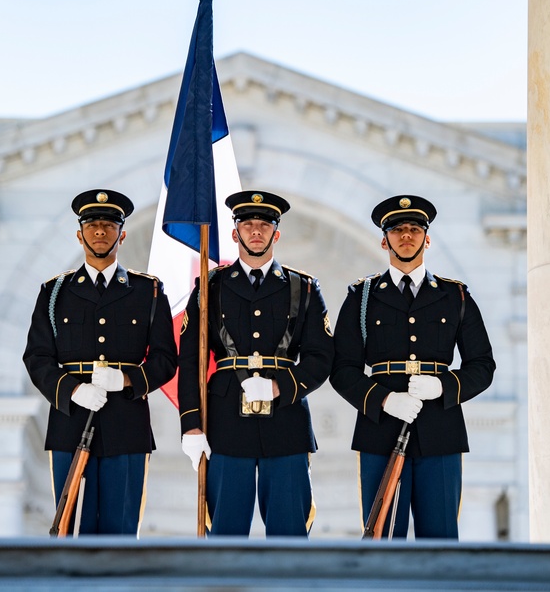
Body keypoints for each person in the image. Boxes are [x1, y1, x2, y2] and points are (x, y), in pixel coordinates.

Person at [330, 194, 495, 539]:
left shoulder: (456, 296)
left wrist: (443, 386)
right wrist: (385, 400)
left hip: (441, 431)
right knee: (384, 538)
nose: (407, 235)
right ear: (384, 239)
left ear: (427, 238)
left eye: (415, 228)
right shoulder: (361, 296)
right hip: (381, 430)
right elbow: (342, 369)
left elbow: (482, 365)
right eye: (397, 229)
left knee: (441, 540)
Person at [177, 190, 334, 537]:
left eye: (265, 224)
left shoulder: (303, 287)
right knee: (226, 534)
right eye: (248, 224)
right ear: (235, 233)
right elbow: (190, 360)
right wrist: (191, 424)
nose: (256, 231)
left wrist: (280, 386)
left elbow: (321, 357)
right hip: (225, 425)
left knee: (290, 535)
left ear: (276, 234)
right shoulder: (210, 286)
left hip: (286, 424)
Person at [23, 188, 177, 535]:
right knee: (70, 530)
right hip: (70, 422)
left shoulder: (148, 291)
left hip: (127, 426)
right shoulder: (55, 292)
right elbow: (37, 356)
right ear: (80, 235)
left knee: (120, 532)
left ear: (122, 234)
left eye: (109, 225)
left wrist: (125, 381)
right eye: (92, 225)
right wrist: (72, 390)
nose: (100, 232)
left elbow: (166, 359)